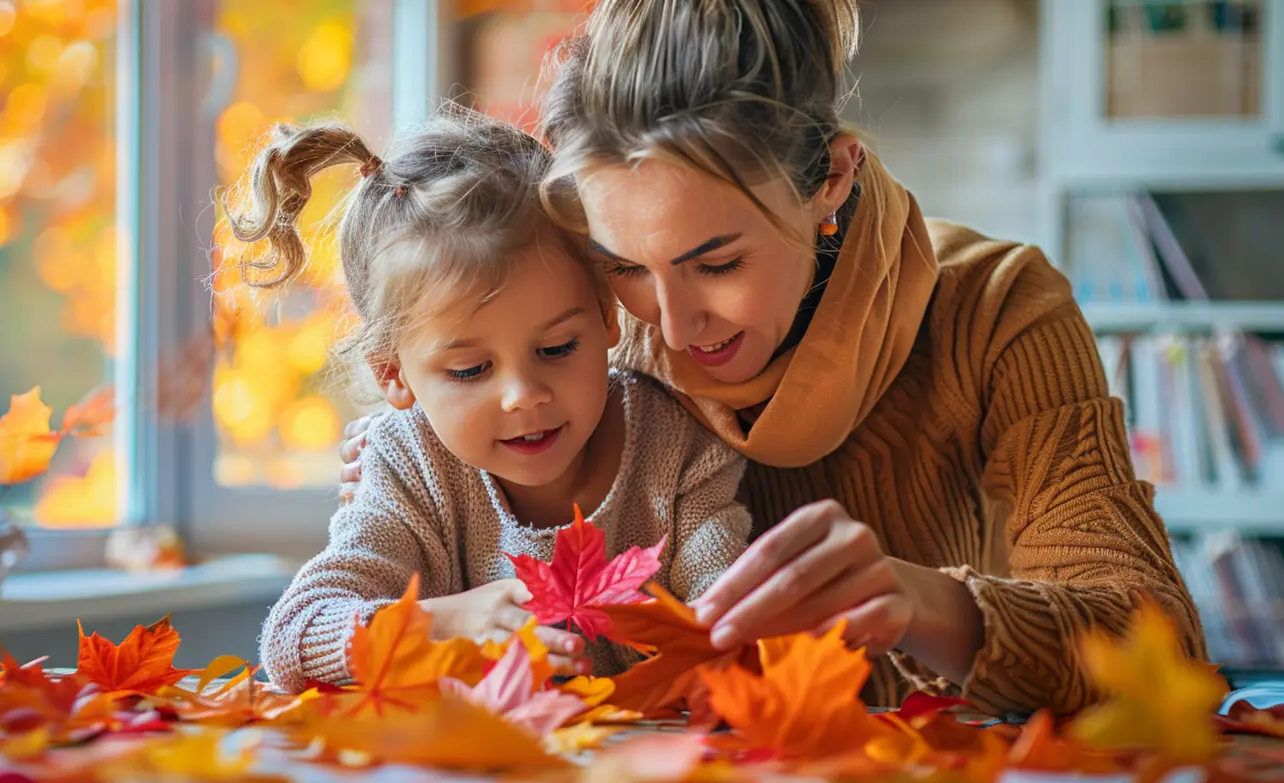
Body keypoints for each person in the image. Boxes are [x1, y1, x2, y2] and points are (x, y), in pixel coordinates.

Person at [337, 0, 1206, 715]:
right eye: (624, 267)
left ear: (830, 178)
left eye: (717, 263)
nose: (670, 328)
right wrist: (405, 455)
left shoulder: (999, 313)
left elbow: (1159, 648)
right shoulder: (594, 336)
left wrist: (915, 602)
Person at [231, 108, 753, 693]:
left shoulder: (678, 444)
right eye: (471, 369)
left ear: (608, 317)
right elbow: (294, 637)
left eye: (557, 348)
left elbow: (734, 630)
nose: (523, 394)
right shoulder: (410, 464)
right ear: (392, 374)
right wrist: (442, 623)